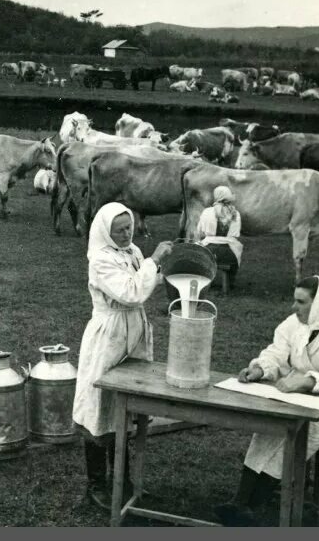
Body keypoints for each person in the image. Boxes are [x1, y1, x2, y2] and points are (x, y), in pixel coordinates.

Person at [216, 276, 319, 526]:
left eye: (301, 302)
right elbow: (276, 354)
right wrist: (259, 369)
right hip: (294, 399)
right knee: (267, 433)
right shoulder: (295, 323)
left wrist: (305, 381)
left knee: (292, 441)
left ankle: (252, 506)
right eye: (294, 300)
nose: (294, 307)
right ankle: (239, 502)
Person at [73, 202, 173, 509]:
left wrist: (160, 268)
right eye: (120, 230)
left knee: (126, 407)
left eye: (129, 227)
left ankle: (124, 480)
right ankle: (96, 484)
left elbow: (146, 283)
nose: (127, 234)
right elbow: (131, 293)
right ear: (105, 231)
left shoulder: (132, 253)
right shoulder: (100, 260)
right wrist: (154, 260)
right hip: (109, 335)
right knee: (100, 409)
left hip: (133, 332)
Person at [196, 185, 242, 288]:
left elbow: (200, 232)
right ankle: (230, 282)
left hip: (208, 251)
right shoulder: (235, 214)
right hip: (229, 254)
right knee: (236, 249)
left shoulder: (207, 212)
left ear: (216, 196)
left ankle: (203, 280)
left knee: (198, 250)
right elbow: (236, 235)